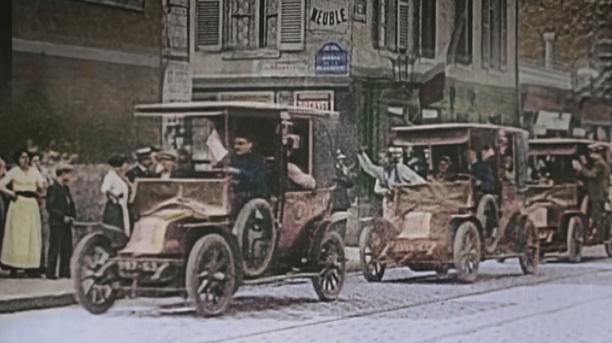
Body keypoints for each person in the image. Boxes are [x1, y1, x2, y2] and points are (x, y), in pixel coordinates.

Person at [0, 149, 46, 277]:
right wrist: (11, 194)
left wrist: (43, 187)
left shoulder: (34, 172)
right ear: (17, 159)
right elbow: (1, 185)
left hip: (31, 204)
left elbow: (42, 185)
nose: (24, 160)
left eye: (27, 157)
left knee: (31, 235)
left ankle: (31, 267)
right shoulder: (14, 172)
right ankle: (14, 266)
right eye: (22, 157)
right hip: (18, 204)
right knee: (17, 236)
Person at [573, 144, 610, 239]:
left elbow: (592, 175)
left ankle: (596, 234)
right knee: (591, 213)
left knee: (595, 215)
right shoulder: (598, 163)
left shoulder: (599, 164)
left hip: (597, 194)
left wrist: (580, 169)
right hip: (594, 193)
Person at [45, 163, 76, 279]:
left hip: (67, 222)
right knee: (55, 247)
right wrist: (62, 216)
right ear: (62, 174)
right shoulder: (53, 188)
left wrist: (72, 216)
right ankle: (51, 272)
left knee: (66, 247)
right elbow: (51, 207)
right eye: (68, 173)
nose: (69, 176)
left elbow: (70, 204)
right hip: (57, 222)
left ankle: (64, 272)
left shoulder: (65, 188)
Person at [357, 146, 426, 195]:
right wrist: (361, 154)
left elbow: (419, 181)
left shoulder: (400, 168)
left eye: (384, 158)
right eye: (380, 159)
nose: (382, 161)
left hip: (406, 199)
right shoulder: (383, 171)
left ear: (391, 158)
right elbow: (369, 167)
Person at [229, 134, 268, 211]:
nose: (236, 147)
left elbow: (256, 178)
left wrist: (237, 172)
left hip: (252, 197)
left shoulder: (257, 160)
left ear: (250, 145)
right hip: (236, 193)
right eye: (235, 144)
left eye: (240, 144)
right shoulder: (233, 159)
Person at [101, 153, 131, 236]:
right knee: (115, 228)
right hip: (115, 206)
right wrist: (115, 197)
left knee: (123, 227)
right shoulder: (110, 175)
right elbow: (105, 189)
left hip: (122, 205)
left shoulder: (120, 176)